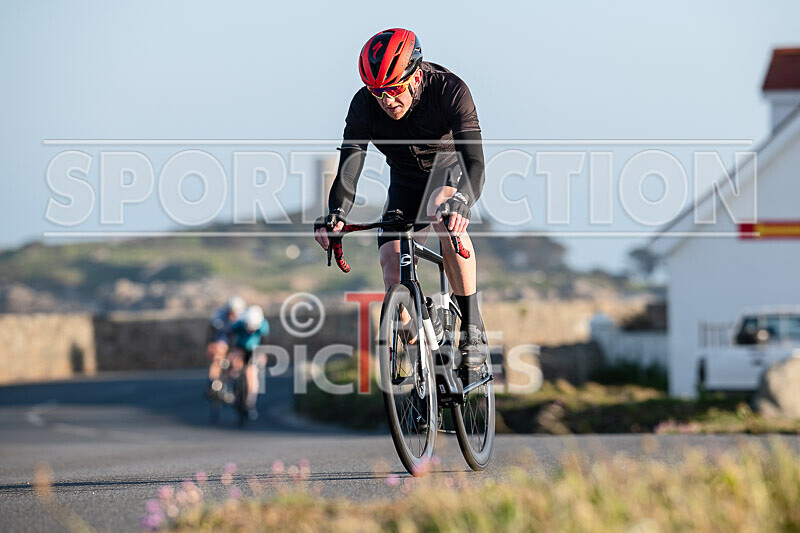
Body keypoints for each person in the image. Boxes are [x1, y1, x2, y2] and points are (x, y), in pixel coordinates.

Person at [314, 28, 488, 369]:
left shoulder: (449, 90)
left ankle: (471, 326)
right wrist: (336, 213)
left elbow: (475, 164)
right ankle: (423, 372)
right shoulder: (365, 105)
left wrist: (463, 200)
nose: (387, 101)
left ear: (416, 74)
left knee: (443, 210)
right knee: (392, 270)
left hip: (448, 173)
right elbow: (350, 167)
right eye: (378, 92)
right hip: (405, 182)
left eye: (394, 89)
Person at [229, 305, 269, 420]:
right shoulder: (239, 323)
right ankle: (234, 385)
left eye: (253, 329)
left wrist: (262, 354)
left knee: (252, 373)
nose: (250, 331)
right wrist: (232, 351)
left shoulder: (263, 325)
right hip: (240, 347)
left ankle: (250, 403)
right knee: (235, 365)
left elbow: (264, 340)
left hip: (254, 349)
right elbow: (232, 336)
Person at [205, 295, 246, 397]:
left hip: (236, 343)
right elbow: (213, 332)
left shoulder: (243, 319)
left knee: (237, 360)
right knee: (218, 357)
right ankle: (213, 383)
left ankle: (232, 379)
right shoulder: (220, 317)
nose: (233, 315)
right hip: (223, 342)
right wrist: (211, 345)